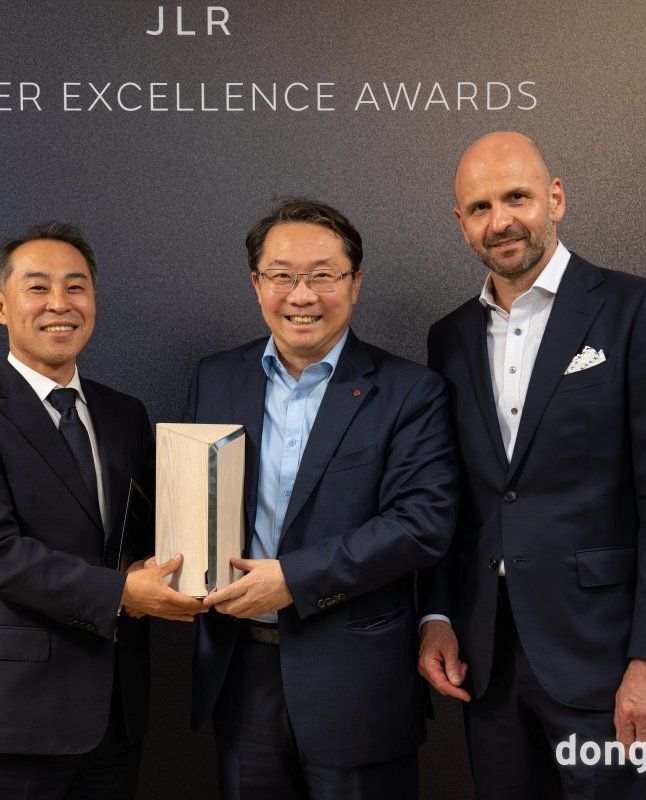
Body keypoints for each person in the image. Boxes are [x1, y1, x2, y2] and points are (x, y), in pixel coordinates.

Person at [418, 131, 646, 798]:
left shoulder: (640, 310)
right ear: (461, 222)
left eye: (516, 197)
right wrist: (437, 616)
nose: (501, 221)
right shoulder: (449, 337)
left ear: (555, 198)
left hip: (606, 660)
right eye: (481, 207)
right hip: (487, 662)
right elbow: (453, 496)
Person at [185, 199, 459, 799]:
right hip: (242, 675)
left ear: (355, 284)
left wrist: (294, 579)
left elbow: (422, 523)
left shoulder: (410, 391)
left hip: (357, 680)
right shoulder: (215, 377)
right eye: (281, 275)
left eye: (323, 275)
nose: (302, 295)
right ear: (256, 284)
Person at [0, 222, 205, 800]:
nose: (60, 303)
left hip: (116, 712)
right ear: (1, 306)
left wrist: (168, 563)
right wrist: (122, 592)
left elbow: (141, 531)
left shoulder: (125, 413)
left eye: (76, 287)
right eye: (38, 287)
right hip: (16, 715)